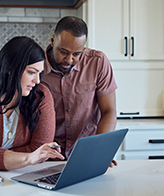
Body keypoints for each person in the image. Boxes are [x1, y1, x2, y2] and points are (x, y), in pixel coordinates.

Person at [0, 36, 64, 171]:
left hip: (23, 174)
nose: (37, 80)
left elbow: (41, 150)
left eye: (40, 73)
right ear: (10, 67)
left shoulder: (41, 96)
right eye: (31, 72)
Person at [42, 16, 118, 161]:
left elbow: (109, 111)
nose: (69, 60)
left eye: (77, 54)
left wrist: (100, 149)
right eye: (63, 52)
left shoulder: (98, 62)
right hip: (47, 157)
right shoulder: (36, 67)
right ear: (53, 41)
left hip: (86, 154)